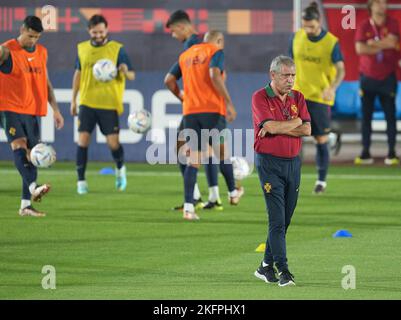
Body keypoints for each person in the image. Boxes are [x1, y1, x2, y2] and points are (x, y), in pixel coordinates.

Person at [252, 56, 311, 286]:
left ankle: (264, 266)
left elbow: (307, 129)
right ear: (273, 75)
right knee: (276, 219)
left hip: (293, 163)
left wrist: (283, 127)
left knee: (285, 219)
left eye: (293, 75)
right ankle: (283, 270)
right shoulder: (260, 97)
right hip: (269, 164)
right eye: (286, 75)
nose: (291, 80)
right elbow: (270, 126)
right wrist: (293, 123)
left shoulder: (298, 97)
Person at [0, 16, 64, 217]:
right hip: (8, 108)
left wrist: (55, 109)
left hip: (31, 111)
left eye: (37, 37)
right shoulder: (7, 50)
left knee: (33, 154)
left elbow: (46, 82)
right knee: (19, 146)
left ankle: (25, 205)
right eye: (30, 36)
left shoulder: (42, 52)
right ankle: (33, 187)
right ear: (22, 29)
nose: (33, 41)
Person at [174, 30, 242, 221]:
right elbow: (214, 74)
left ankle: (188, 208)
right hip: (213, 112)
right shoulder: (216, 52)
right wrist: (228, 102)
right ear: (219, 41)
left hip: (191, 113)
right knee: (222, 154)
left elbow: (169, 80)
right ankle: (232, 194)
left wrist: (181, 97)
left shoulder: (186, 55)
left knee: (193, 160)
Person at [70, 14, 135, 194]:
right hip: (87, 102)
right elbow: (78, 74)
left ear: (106, 30)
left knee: (113, 143)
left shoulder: (117, 49)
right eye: (94, 32)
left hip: (109, 103)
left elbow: (132, 75)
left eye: (101, 31)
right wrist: (73, 99)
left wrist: (124, 70)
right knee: (82, 140)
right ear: (89, 31)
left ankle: (120, 169)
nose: (98, 35)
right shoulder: (82, 49)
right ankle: (81, 182)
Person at [289, 1, 345, 194]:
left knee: (321, 139)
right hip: (297, 97)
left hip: (320, 98)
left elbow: (341, 70)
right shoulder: (297, 38)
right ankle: (292, 178)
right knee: (294, 138)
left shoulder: (331, 42)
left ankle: (321, 181)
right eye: (305, 26)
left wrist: (333, 87)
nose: (308, 30)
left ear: (319, 21)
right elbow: (289, 66)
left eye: (311, 26)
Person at [354, 0, 400, 165]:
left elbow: (393, 42)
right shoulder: (364, 25)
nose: (382, 5)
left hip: (388, 77)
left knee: (390, 117)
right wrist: (383, 44)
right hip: (367, 77)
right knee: (366, 118)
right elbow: (360, 49)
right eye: (378, 2)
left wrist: (373, 44)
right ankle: (365, 153)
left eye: (384, 2)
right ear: (371, 6)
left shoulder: (393, 23)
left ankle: (391, 153)